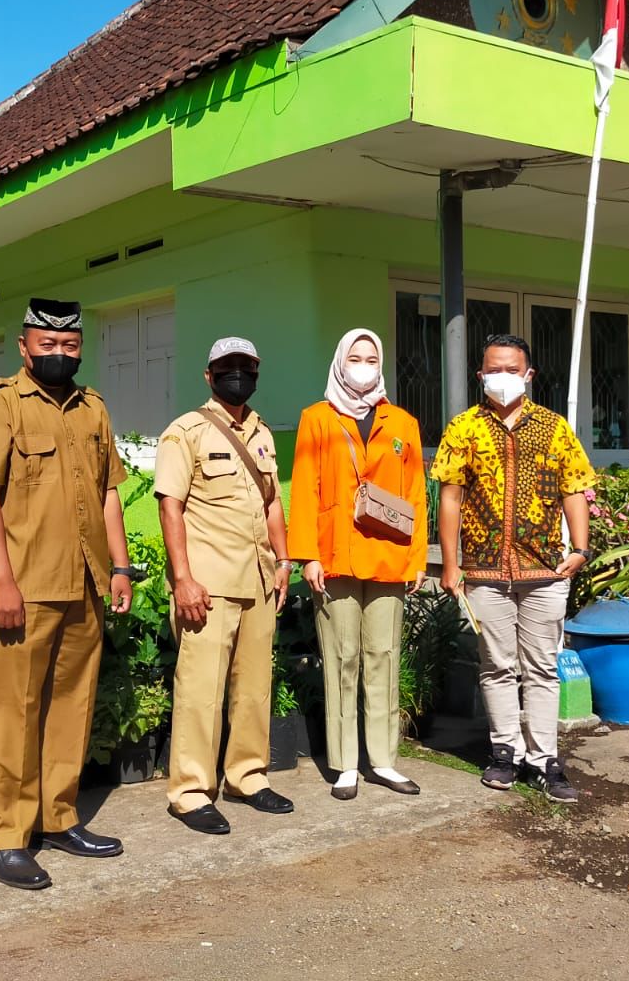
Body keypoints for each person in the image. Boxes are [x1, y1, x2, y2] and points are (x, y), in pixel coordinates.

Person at [0, 298, 138, 890]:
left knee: (71, 709)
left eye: (69, 347)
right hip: (22, 588)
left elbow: (109, 492)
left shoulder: (93, 409)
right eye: (47, 346)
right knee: (9, 715)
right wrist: (3, 581)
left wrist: (120, 566)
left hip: (84, 583)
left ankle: (58, 818)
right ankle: (5, 839)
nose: (59, 356)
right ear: (24, 347)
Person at [432, 333, 593, 804]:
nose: (501, 377)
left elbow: (574, 489)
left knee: (542, 668)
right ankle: (505, 752)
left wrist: (579, 549)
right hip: (483, 571)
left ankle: (544, 759)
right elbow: (450, 497)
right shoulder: (462, 428)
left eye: (510, 369)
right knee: (497, 666)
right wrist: (450, 563)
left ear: (528, 375)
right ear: (480, 375)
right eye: (493, 369)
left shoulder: (554, 427)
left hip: (544, 567)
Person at [155, 337, 295, 834]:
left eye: (247, 367)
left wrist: (284, 560)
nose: (238, 374)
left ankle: (247, 776)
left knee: (255, 690)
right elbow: (170, 506)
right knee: (200, 691)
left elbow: (272, 502)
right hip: (208, 585)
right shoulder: (184, 432)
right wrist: (183, 579)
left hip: (258, 580)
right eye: (227, 367)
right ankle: (191, 792)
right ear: (209, 375)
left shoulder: (262, 433)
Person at [288, 329, 428, 800]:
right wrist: (307, 555)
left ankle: (384, 760)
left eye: (371, 357)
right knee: (341, 658)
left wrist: (417, 559)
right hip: (335, 557)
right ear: (339, 361)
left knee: (383, 657)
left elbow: (415, 494)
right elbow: (304, 489)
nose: (363, 365)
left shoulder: (402, 423)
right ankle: (346, 762)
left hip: (389, 556)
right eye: (355, 356)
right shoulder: (317, 419)